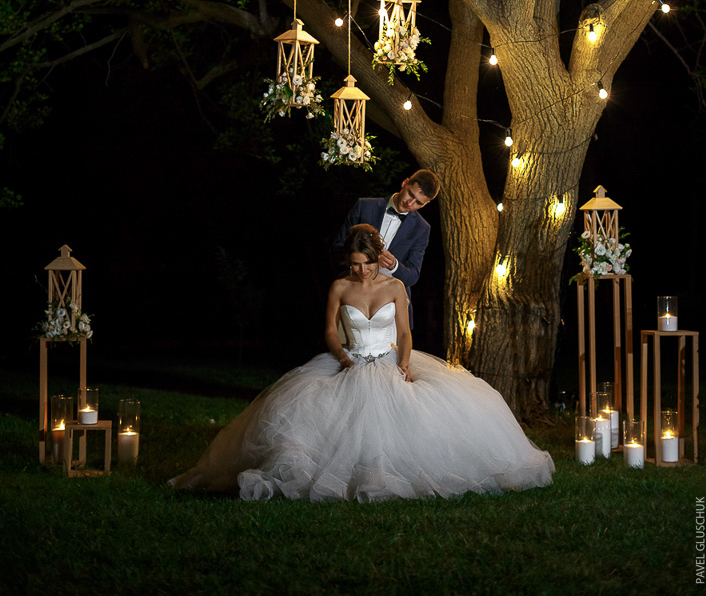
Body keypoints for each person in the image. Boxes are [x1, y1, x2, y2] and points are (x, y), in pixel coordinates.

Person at [169, 225, 554, 501]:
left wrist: (404, 364)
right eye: (354, 264)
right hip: (350, 362)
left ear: (377, 259)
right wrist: (341, 357)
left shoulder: (395, 287)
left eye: (367, 264)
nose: (362, 271)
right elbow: (332, 332)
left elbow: (404, 332)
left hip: (389, 360)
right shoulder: (340, 287)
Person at [332, 169, 440, 324]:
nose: (410, 203)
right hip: (352, 298)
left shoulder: (422, 228)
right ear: (405, 183)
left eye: (418, 203)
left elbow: (413, 276)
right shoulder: (364, 206)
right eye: (410, 194)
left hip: (392, 309)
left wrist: (395, 266)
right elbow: (337, 248)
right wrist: (360, 259)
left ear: (426, 204)